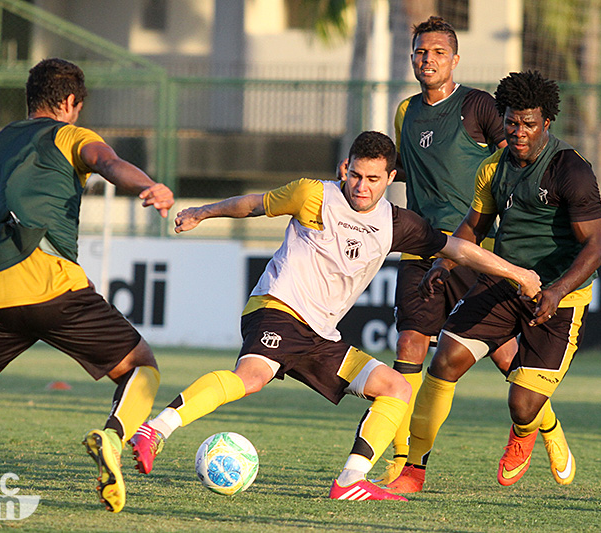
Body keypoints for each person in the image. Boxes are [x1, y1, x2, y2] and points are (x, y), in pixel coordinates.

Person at [128, 131, 540, 501]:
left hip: (321, 335)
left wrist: (516, 272)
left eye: (373, 179)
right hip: (278, 309)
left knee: (396, 388)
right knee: (251, 377)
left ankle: (350, 481)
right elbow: (254, 204)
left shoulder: (396, 224)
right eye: (356, 175)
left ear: (391, 177)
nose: (362, 186)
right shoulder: (313, 195)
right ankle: (155, 430)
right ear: (346, 168)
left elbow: (457, 249)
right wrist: (203, 212)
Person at [0, 58, 174, 515]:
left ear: (32, 99)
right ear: (70, 102)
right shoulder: (71, 135)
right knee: (141, 367)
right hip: (55, 289)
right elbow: (108, 162)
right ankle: (111, 436)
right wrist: (149, 187)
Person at [388, 70, 601, 493]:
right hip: (504, 283)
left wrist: (557, 290)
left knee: (522, 405)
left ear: (547, 123)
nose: (518, 131)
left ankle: (528, 431)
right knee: (445, 360)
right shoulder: (493, 167)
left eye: (528, 123)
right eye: (511, 122)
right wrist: (443, 265)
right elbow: (474, 226)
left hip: (561, 296)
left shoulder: (571, 169)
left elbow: (596, 246)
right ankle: (413, 472)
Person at [374, 16, 567, 486]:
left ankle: (548, 425)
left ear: (455, 59)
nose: (428, 59)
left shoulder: (478, 105)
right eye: (421, 51)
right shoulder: (405, 111)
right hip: (423, 245)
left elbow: (516, 160)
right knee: (410, 345)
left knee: (507, 360)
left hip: (476, 249)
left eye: (438, 52)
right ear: (412, 57)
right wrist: (369, 169)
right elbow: (408, 168)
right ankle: (404, 461)